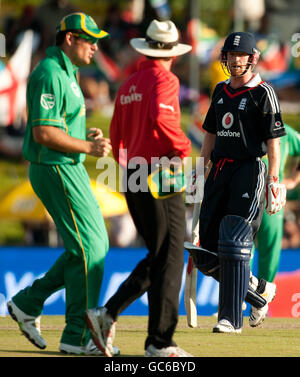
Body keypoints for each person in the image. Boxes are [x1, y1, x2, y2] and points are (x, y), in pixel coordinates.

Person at [7, 12, 114, 356]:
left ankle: (29, 302)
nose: (96, 46)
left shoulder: (67, 72)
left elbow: (60, 127)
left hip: (67, 167)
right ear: (70, 39)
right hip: (55, 168)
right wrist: (88, 147)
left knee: (87, 249)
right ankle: (77, 337)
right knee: (90, 251)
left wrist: (83, 136)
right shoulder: (50, 73)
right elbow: (43, 133)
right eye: (90, 39)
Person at [85, 19, 193, 357]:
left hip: (132, 173)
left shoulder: (130, 82)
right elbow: (163, 118)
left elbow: (117, 137)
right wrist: (183, 148)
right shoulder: (165, 78)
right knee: (171, 256)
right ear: (173, 52)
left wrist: (133, 166)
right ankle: (159, 342)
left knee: (161, 255)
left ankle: (108, 315)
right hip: (159, 174)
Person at [188, 31, 286, 334]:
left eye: (239, 55)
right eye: (229, 55)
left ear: (251, 58)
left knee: (234, 241)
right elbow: (210, 134)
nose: (233, 60)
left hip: (249, 170)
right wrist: (200, 169)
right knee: (205, 255)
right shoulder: (219, 90)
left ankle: (230, 318)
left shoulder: (263, 92)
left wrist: (273, 180)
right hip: (219, 170)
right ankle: (257, 293)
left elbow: (273, 142)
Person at [252, 124, 300, 282]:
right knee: (241, 251)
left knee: (270, 251)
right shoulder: (244, 125)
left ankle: (262, 302)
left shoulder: (286, 132)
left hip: (270, 198)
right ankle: (236, 300)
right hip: (244, 197)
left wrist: (293, 180)